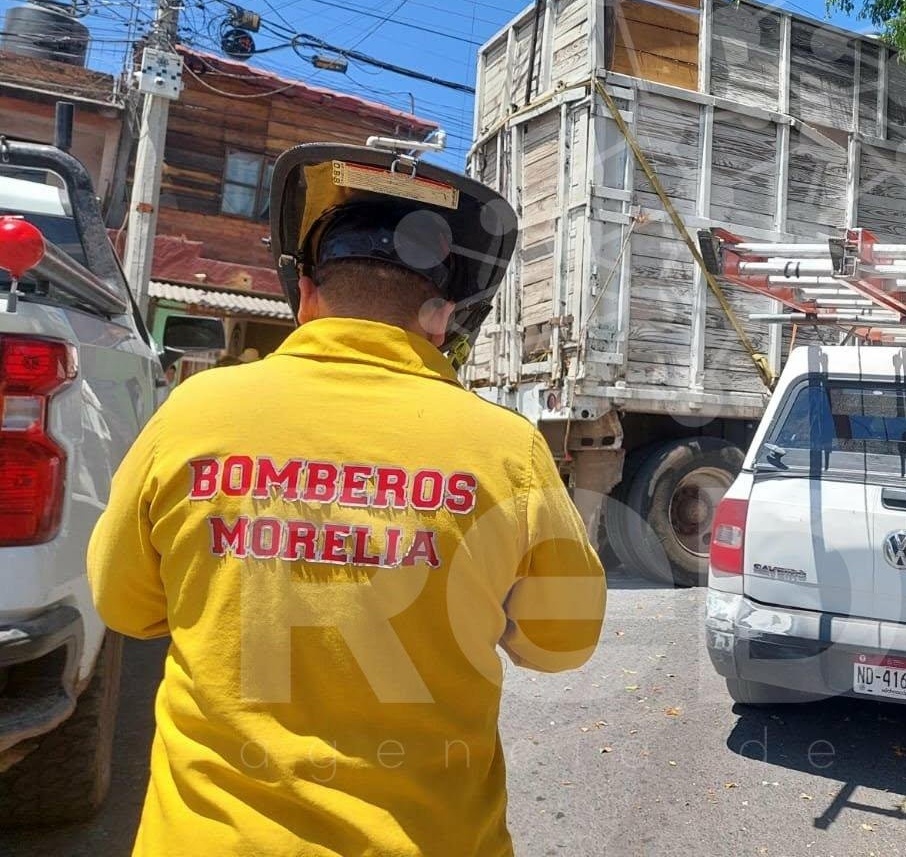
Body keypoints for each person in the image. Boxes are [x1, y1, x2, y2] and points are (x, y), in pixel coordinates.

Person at [88, 143, 606, 856]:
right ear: (440, 317)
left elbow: (125, 605)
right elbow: (562, 644)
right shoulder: (506, 451)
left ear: (305, 295)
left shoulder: (194, 411)